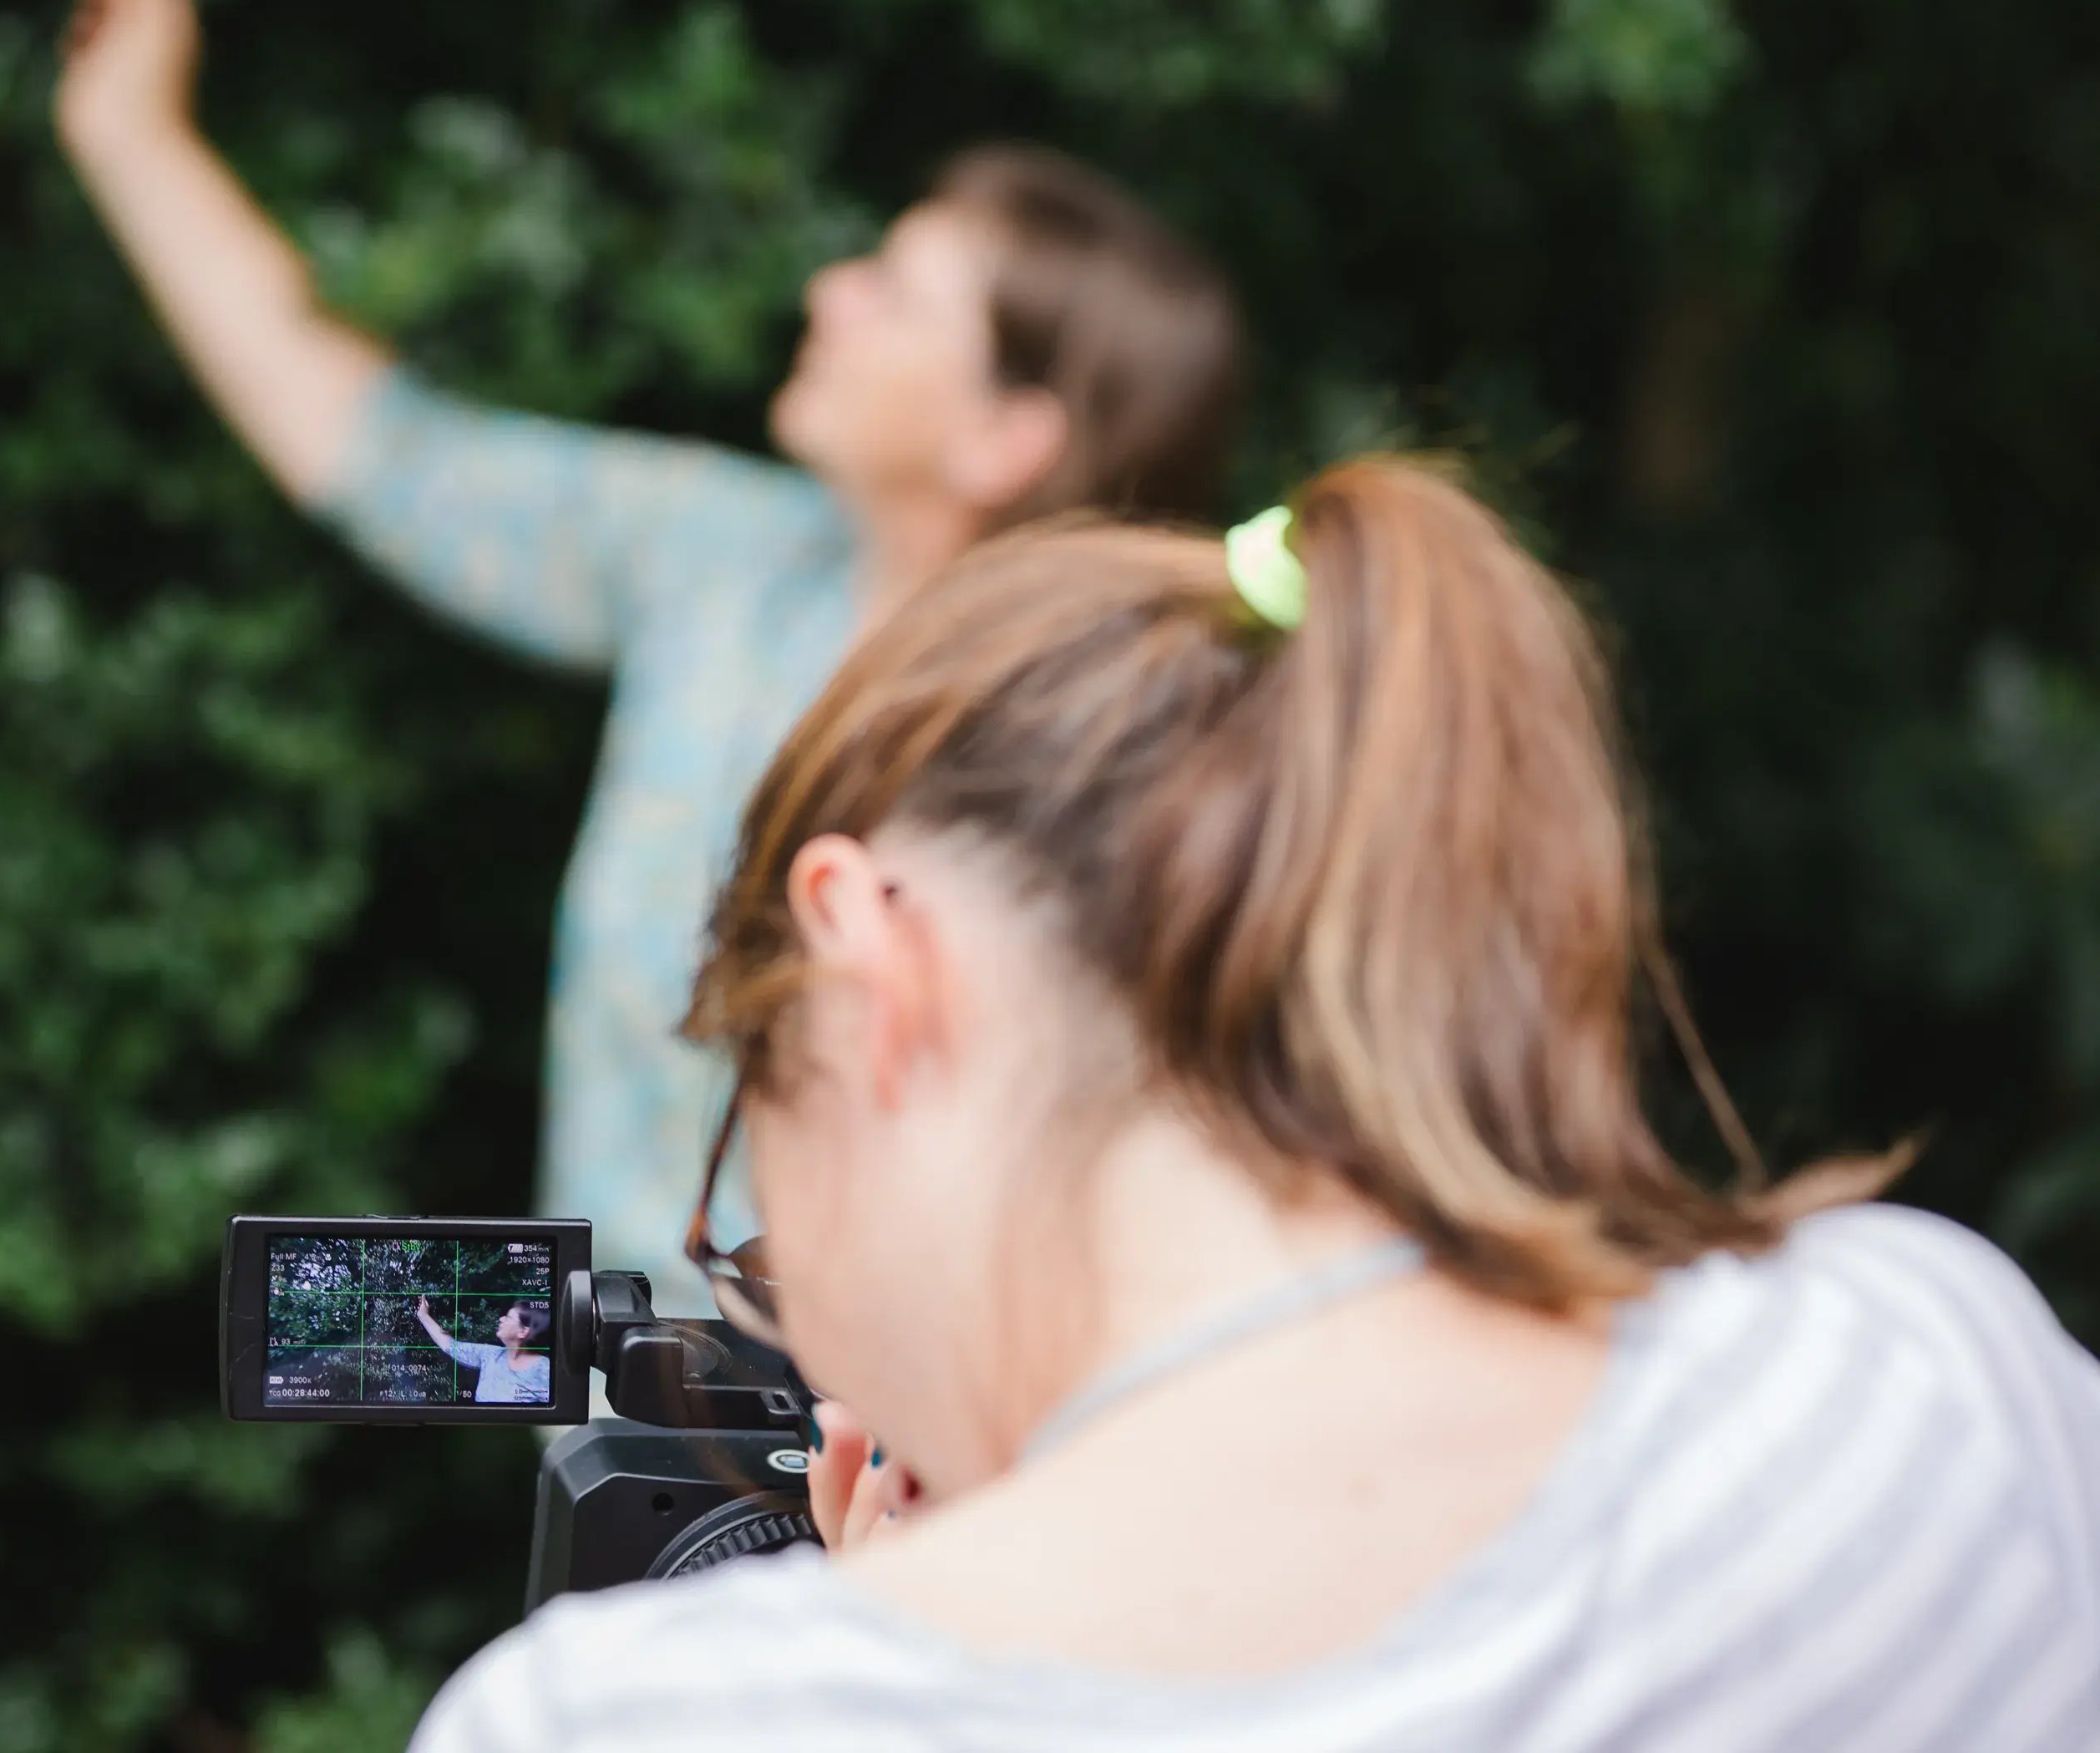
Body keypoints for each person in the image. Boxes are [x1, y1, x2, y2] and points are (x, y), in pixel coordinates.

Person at [408, 464, 2100, 1749]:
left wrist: (882, 1641)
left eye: (749, 1182)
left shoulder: (629, 1723)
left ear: (872, 970)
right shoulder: (1920, 1378)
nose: (775, 1299)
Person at [53, 0, 1245, 1298]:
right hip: (614, 1414)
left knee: (302, 1323)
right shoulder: (731, 560)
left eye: (898, 294)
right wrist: (131, 139)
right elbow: (383, 453)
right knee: (292, 1319)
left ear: (1007, 442)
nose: (830, 292)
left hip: (888, 1475)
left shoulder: (1106, 766)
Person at [415, 1295, 551, 1406]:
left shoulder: (544, 1369)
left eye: (509, 1317)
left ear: (523, 1332)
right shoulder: (491, 1355)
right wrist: (423, 1315)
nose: (501, 1319)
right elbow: (450, 1346)